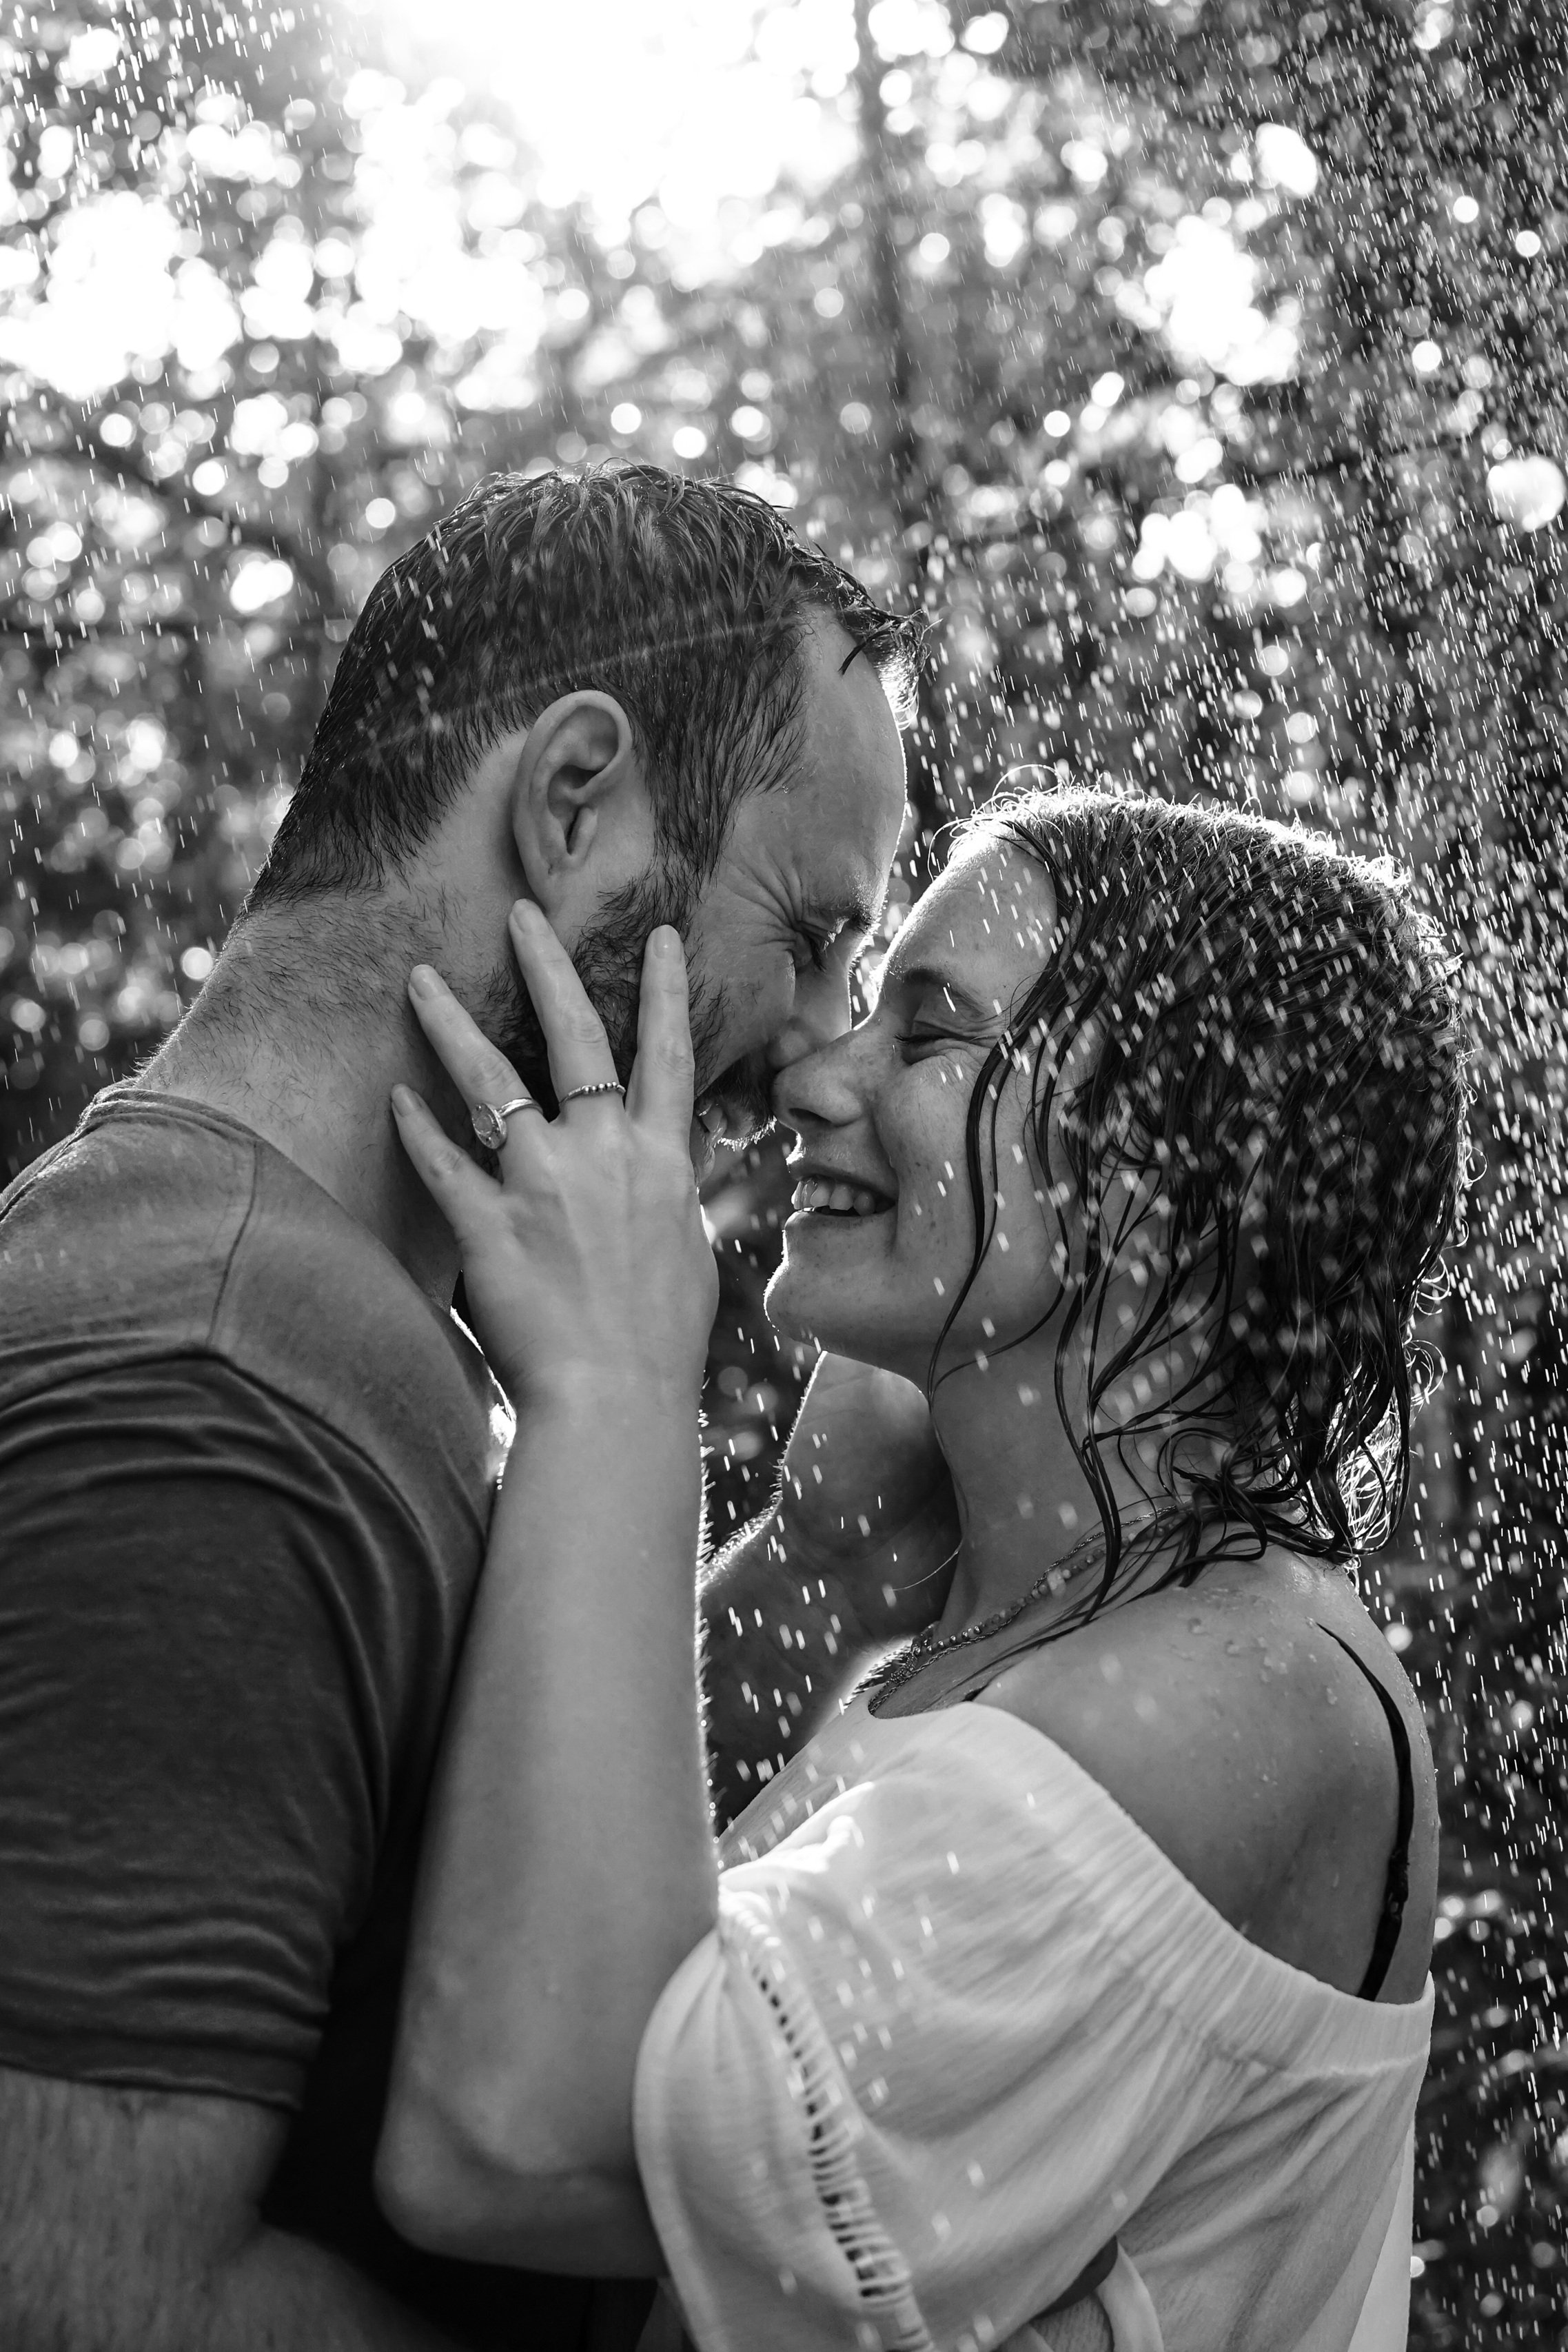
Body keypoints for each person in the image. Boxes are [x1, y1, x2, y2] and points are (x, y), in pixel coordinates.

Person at [0, 465, 961, 2352]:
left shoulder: (307, 1300)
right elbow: (79, 2285)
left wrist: (815, 1579)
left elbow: (400, 1864)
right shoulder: (217, 1385)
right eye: (815, 924)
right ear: (574, 799)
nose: (833, 1037)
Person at [375, 787, 1467, 2351]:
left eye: (929, 1030)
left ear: (1155, 1177)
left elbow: (519, 2128)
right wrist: (812, 1568)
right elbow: (561, 1924)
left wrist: (616, 1388)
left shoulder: (1222, 1709)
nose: (813, 1076)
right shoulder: (1046, 1618)